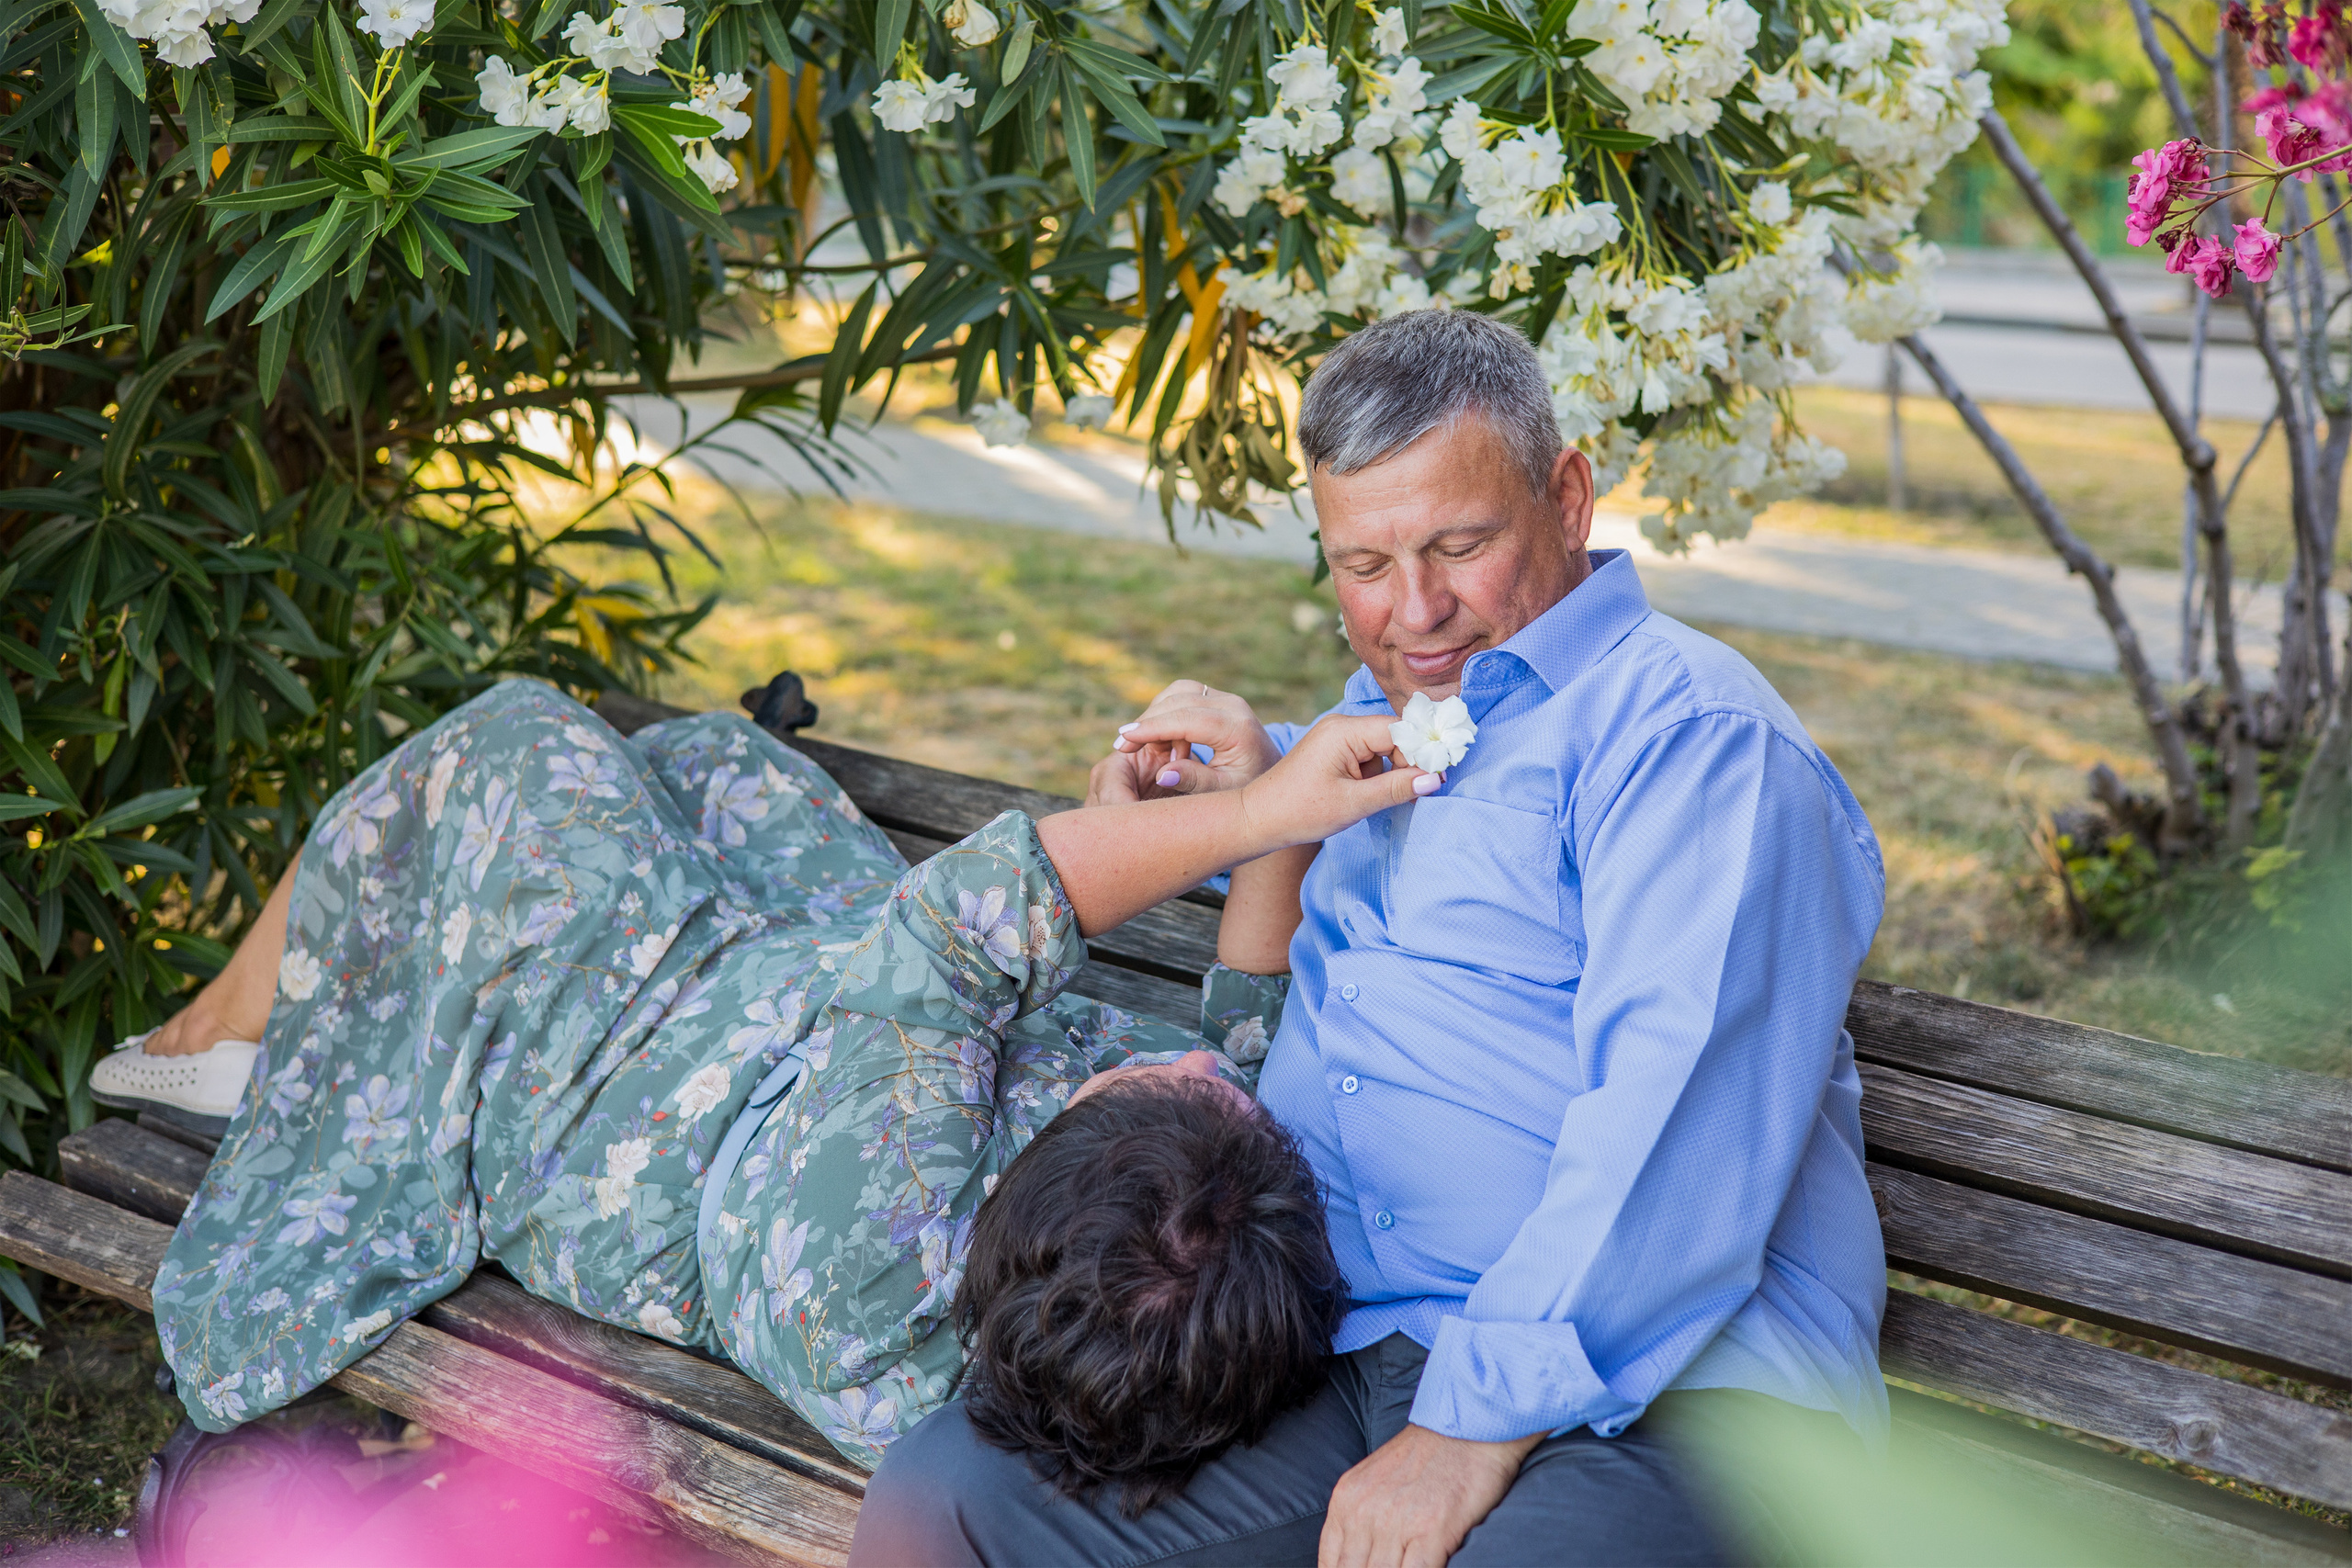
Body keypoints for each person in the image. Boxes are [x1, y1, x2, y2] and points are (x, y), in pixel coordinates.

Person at [850, 309, 1891, 1566]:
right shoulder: (1381, 723)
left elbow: (1677, 1124)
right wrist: (1247, 793)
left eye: (1462, 544)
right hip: (1346, 1353)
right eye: (1364, 565)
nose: (1418, 612)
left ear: (1569, 497)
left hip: (1664, 1394)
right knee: (949, 1498)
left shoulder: (1695, 743)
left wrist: (1467, 1429)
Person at [107, 675, 1438, 1499]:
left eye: (1154, 1082)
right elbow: (1244, 1046)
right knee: (709, 766)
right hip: (809, 1047)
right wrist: (1271, 790)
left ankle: (217, 1039)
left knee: (515, 742)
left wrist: (1243, 822)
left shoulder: (877, 1253)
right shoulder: (1162, 1284)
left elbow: (957, 934)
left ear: (1032, 1173)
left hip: (628, 1083)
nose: (1198, 1061)